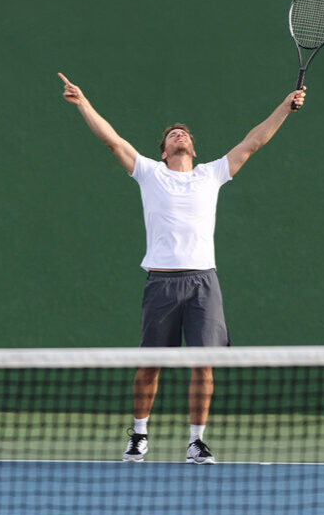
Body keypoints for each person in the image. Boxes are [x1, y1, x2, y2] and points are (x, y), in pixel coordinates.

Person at [57, 71, 306, 464]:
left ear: (192, 146)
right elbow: (112, 140)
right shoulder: (149, 173)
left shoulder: (212, 174)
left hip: (203, 282)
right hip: (161, 282)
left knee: (203, 366)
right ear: (163, 151)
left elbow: (253, 142)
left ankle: (196, 441)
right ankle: (139, 435)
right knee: (150, 366)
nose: (180, 135)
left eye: (184, 133)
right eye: (173, 134)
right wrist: (83, 102)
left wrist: (285, 108)